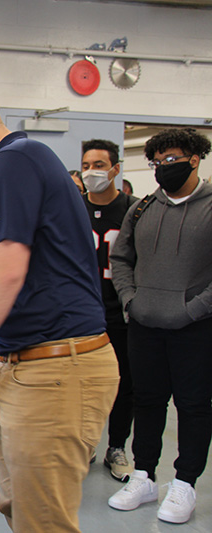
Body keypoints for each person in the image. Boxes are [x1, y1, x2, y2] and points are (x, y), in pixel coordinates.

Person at [0, 88, 118, 533]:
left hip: (56, 372)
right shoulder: (26, 163)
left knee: (43, 522)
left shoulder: (13, 160)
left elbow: (6, 268)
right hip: (30, 364)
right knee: (20, 509)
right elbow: (42, 275)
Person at [108, 127, 212, 525]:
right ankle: (144, 475)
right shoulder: (143, 208)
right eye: (157, 162)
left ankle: (184, 482)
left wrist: (194, 308)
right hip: (145, 323)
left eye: (171, 160)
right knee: (147, 401)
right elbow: (121, 258)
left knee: (193, 406)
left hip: (195, 327)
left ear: (194, 158)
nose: (163, 168)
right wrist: (130, 299)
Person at [80, 139, 138, 482]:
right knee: (82, 385)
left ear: (116, 169)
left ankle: (116, 446)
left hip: (120, 313)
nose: (91, 172)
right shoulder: (73, 207)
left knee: (123, 384)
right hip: (82, 314)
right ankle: (86, 441)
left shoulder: (133, 209)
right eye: (87, 165)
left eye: (99, 165)